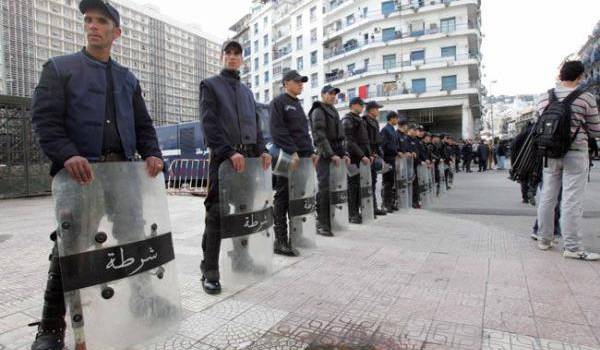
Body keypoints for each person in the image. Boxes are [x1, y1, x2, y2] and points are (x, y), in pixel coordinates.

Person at [29, 1, 164, 348]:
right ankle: (50, 328)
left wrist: (152, 154)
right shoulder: (59, 68)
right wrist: (67, 154)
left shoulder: (127, 79)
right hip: (81, 176)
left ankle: (142, 298)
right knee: (70, 248)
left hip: (122, 174)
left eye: (101, 21)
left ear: (116, 32)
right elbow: (45, 121)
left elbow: (143, 125)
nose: (92, 26)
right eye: (88, 20)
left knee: (133, 238)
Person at [199, 39, 272, 294]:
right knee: (216, 215)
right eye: (227, 53)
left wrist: (262, 150)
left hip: (248, 162)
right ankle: (209, 269)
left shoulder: (247, 92)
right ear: (221, 57)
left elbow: (256, 126)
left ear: (242, 59)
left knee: (244, 213)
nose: (231, 57)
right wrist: (228, 151)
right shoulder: (210, 86)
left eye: (236, 54)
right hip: (223, 161)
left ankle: (241, 260)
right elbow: (209, 125)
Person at [536, 60, 600, 260]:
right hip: (575, 151)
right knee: (571, 199)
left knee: (548, 195)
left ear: (561, 75)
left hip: (550, 153)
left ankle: (544, 239)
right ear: (580, 76)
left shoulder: (543, 97)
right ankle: (572, 247)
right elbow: (596, 129)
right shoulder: (586, 98)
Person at [269, 70, 317, 256]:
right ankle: (280, 240)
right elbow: (278, 130)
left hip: (302, 159)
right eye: (297, 82)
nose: (301, 85)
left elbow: (304, 133)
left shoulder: (297, 105)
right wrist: (293, 151)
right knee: (282, 197)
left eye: (302, 82)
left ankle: (296, 235)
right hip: (287, 157)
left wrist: (311, 152)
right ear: (286, 83)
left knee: (298, 198)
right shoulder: (278, 103)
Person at [309, 85, 348, 236]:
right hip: (324, 155)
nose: (333, 96)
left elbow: (340, 136)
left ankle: (331, 220)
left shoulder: (333, 110)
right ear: (323, 95)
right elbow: (319, 136)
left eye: (334, 94)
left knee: (335, 188)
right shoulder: (318, 110)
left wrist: (343, 153)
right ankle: (322, 223)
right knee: (324, 188)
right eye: (330, 93)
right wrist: (331, 154)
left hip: (335, 155)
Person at [342, 97, 371, 223]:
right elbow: (349, 141)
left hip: (361, 158)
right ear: (353, 105)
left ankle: (357, 211)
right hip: (353, 158)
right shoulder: (348, 119)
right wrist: (361, 155)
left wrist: (368, 155)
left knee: (358, 185)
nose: (362, 107)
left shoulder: (359, 119)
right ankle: (352, 214)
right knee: (352, 186)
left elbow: (364, 140)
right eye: (360, 105)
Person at [363, 101, 386, 216]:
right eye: (376, 108)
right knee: (366, 183)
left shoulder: (375, 122)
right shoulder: (364, 121)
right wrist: (371, 153)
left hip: (374, 155)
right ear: (370, 109)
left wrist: (378, 153)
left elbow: (378, 141)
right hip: (367, 156)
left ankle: (374, 207)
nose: (378, 111)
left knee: (373, 182)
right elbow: (365, 140)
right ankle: (367, 208)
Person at [380, 111, 400, 212]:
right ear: (391, 118)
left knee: (392, 182)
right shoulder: (385, 130)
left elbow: (395, 145)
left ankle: (391, 203)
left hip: (393, 158)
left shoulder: (392, 129)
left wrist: (397, 152)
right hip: (387, 158)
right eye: (396, 118)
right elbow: (383, 145)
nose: (397, 120)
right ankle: (385, 204)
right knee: (387, 182)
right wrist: (382, 160)